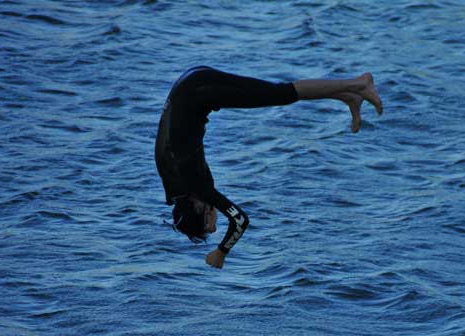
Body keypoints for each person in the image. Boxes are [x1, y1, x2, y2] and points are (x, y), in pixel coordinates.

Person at [155, 66, 383, 269]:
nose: (214, 229)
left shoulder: (195, 186)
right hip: (187, 83)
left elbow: (241, 220)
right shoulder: (175, 188)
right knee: (278, 93)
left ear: (199, 208)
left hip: (198, 91)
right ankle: (348, 96)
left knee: (282, 93)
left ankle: (359, 84)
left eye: (208, 225)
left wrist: (221, 252)